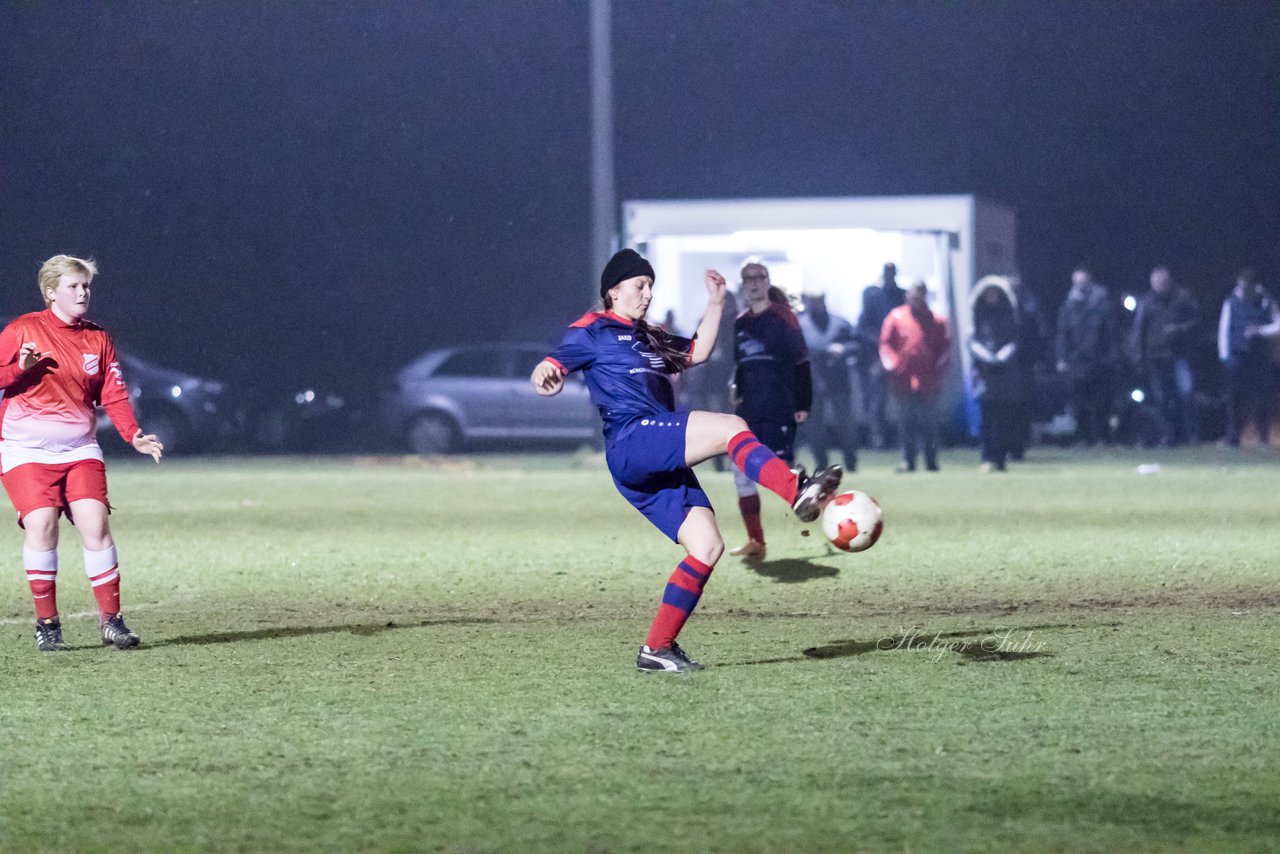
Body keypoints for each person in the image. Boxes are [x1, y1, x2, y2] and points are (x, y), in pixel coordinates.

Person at [530, 249, 841, 673]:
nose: (647, 294)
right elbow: (553, 361)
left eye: (651, 287)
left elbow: (697, 353)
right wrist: (545, 374)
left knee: (706, 546)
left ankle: (656, 649)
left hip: (657, 456)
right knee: (732, 426)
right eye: (639, 286)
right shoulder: (593, 329)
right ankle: (795, 490)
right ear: (613, 291)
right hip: (633, 440)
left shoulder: (650, 336)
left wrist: (715, 304)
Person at [0, 255, 163, 652]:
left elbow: (114, 393)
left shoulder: (98, 338)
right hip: (26, 451)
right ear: (51, 292)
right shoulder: (24, 329)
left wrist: (133, 434)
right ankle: (48, 624)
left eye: (86, 286)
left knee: (96, 525)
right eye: (73, 286)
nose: (82, 292)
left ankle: (112, 622)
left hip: (78, 450)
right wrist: (18, 370)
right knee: (41, 525)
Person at [728, 261, 814, 561]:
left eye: (758, 278)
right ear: (742, 285)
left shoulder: (783, 317)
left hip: (779, 405)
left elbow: (802, 361)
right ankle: (756, 541)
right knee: (740, 471)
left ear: (767, 282)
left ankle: (827, 503)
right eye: (748, 279)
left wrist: (803, 402)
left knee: (779, 471)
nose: (753, 283)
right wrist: (736, 394)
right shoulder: (740, 323)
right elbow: (741, 366)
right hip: (750, 408)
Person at [880, 281, 951, 472]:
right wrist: (893, 365)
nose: (916, 299)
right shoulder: (896, 317)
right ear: (907, 296)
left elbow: (945, 348)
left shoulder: (937, 320)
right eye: (913, 295)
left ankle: (931, 460)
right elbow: (886, 345)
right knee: (906, 422)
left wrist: (938, 371)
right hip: (903, 380)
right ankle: (908, 460)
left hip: (928, 380)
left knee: (930, 423)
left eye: (920, 295)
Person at [1128, 266, 1201, 445]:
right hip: (1155, 358)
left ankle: (1190, 435)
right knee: (1161, 400)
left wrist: (1180, 330)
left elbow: (1198, 320)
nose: (1161, 286)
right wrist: (1138, 358)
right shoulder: (1146, 302)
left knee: (1185, 395)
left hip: (1179, 356)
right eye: (1157, 283)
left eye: (1163, 282)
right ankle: (1167, 436)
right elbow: (1139, 332)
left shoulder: (1183, 297)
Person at [1218, 268, 1280, 447]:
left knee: (1262, 398)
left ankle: (1263, 438)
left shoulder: (1266, 300)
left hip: (1259, 357)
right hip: (1237, 356)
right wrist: (1224, 356)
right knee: (1235, 399)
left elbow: (1278, 325)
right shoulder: (1231, 301)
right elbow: (1224, 329)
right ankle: (1233, 437)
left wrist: (1260, 331)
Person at [1056, 266, 1117, 446]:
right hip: (1076, 363)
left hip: (1098, 361)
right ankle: (1083, 437)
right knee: (1078, 404)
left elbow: (1110, 333)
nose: (1080, 286)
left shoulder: (1103, 304)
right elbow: (1062, 334)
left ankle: (1100, 437)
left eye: (1083, 282)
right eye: (1077, 283)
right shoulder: (1068, 306)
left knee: (1100, 403)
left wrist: (1110, 357)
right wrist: (1061, 358)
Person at [798, 291, 859, 473]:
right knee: (815, 426)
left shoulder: (841, 323)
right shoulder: (799, 324)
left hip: (839, 381)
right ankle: (822, 464)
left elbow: (857, 344)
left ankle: (851, 461)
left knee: (846, 423)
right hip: (812, 381)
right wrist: (825, 350)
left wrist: (844, 349)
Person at [968, 276, 1022, 471]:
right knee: (986, 416)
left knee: (1003, 416)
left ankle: (1000, 458)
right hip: (984, 373)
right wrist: (986, 356)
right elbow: (972, 341)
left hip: (1004, 373)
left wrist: (1001, 356)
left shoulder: (1009, 316)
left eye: (995, 293)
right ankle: (987, 456)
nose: (992, 297)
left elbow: (1014, 341)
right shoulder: (977, 315)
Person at [855, 262, 905, 449]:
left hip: (898, 354)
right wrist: (881, 344)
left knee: (903, 397)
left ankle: (902, 438)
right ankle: (878, 438)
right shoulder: (874, 296)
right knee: (877, 400)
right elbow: (863, 327)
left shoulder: (900, 296)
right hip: (876, 355)